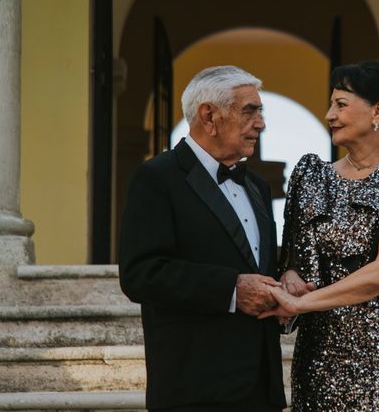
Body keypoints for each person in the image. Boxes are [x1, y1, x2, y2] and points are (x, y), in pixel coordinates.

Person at [263, 61, 379, 411]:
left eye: (341, 104)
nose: (330, 114)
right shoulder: (309, 175)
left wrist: (300, 303)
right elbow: (294, 260)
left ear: (378, 111)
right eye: (331, 105)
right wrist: (291, 279)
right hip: (321, 354)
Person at [119, 65, 287, 412]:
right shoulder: (157, 178)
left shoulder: (256, 185)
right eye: (249, 111)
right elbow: (141, 274)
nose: (261, 123)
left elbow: (256, 263)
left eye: (261, 112)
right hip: (194, 389)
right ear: (209, 116)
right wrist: (232, 290)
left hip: (260, 388)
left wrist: (286, 285)